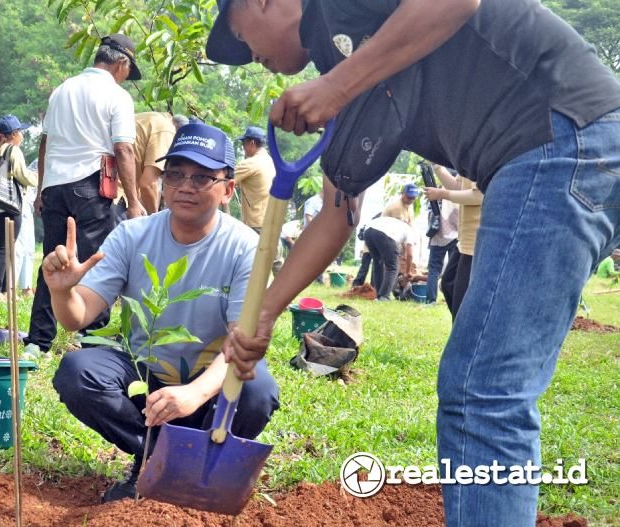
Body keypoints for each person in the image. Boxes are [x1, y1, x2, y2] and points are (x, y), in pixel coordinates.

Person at [207, 1, 620, 525]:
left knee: (483, 393)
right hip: (565, 148)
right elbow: (336, 218)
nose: (250, 56)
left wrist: (335, 89)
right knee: (485, 390)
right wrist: (264, 312)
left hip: (561, 137)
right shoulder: (344, 69)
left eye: (243, 37)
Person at [44, 122, 280, 503]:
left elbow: (243, 344)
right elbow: (77, 317)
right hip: (146, 378)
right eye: (175, 174)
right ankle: (156, 458)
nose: (186, 186)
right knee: (78, 373)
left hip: (212, 382)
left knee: (257, 390)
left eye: (203, 177)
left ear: (228, 189)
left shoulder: (245, 247)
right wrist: (63, 291)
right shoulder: (131, 235)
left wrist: (194, 393)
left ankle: (202, 462)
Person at [23, 34, 148, 360]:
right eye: (127, 72)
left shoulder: (62, 90)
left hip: (54, 188)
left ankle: (38, 342)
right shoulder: (116, 96)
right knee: (96, 262)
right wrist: (134, 202)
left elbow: (44, 144)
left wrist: (40, 191)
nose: (126, 78)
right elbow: (123, 148)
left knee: (52, 262)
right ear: (122, 63)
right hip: (91, 187)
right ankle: (96, 342)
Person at [0, 115, 37, 302]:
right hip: (8, 205)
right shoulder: (13, 150)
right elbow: (23, 176)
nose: (22, 135)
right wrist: (41, 179)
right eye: (20, 131)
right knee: (5, 248)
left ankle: (5, 292)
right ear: (13, 134)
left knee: (5, 247)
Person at [426, 164, 484, 318]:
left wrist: (443, 194)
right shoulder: (469, 159)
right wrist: (437, 167)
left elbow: (479, 195)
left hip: (476, 241)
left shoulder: (482, 159)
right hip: (463, 240)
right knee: (447, 284)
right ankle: (462, 331)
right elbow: (458, 186)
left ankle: (463, 335)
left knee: (461, 296)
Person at [132, 112, 188, 213]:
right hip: (117, 194)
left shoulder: (149, 118)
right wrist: (154, 219)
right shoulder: (166, 130)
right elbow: (148, 184)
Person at [362, 215, 416, 301]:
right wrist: (408, 272)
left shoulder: (399, 226)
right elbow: (410, 254)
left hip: (368, 231)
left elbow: (404, 252)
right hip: (383, 233)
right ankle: (384, 296)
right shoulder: (411, 232)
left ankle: (378, 295)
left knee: (378, 263)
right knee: (393, 267)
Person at [234, 125, 275, 230]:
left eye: (244, 143)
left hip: (255, 225)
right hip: (271, 222)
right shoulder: (270, 161)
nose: (243, 147)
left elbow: (224, 181)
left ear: (252, 143)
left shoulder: (250, 164)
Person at [425, 197, 458, 305]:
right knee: (454, 270)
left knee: (433, 270)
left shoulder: (435, 197)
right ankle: (452, 298)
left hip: (437, 238)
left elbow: (430, 218)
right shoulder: (456, 195)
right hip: (454, 237)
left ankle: (431, 300)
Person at [16, 160, 40, 297]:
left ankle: (27, 287)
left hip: (28, 206)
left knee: (29, 248)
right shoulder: (42, 161)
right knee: (21, 247)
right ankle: (12, 288)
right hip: (22, 202)